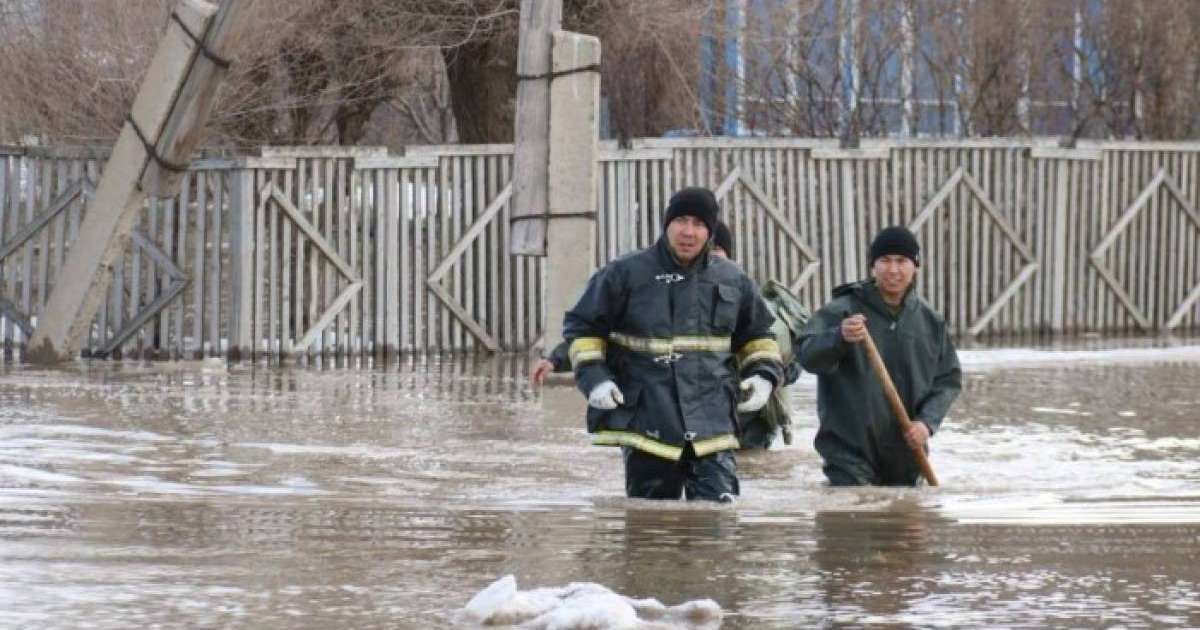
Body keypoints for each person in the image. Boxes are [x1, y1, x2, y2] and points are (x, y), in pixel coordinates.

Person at [562, 187, 784, 501]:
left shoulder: (734, 279)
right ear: (667, 224)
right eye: (681, 220)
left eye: (698, 223)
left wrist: (764, 377)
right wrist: (595, 380)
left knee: (718, 524)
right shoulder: (624, 273)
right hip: (648, 422)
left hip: (713, 421)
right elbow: (583, 329)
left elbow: (758, 337)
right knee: (650, 527)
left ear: (709, 231)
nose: (688, 232)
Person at [533, 220, 810, 451]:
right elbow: (612, 336)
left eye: (717, 250)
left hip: (745, 420)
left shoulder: (743, 295)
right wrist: (558, 360)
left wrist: (766, 379)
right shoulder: (660, 292)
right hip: (685, 416)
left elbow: (787, 357)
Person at [797, 226, 961, 486]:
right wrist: (838, 337)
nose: (893, 270)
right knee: (856, 515)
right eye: (884, 260)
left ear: (915, 266)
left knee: (903, 516)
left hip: (908, 456)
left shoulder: (930, 321)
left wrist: (926, 424)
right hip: (848, 456)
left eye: (901, 261)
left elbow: (948, 381)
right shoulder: (842, 311)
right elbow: (806, 356)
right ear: (873, 266)